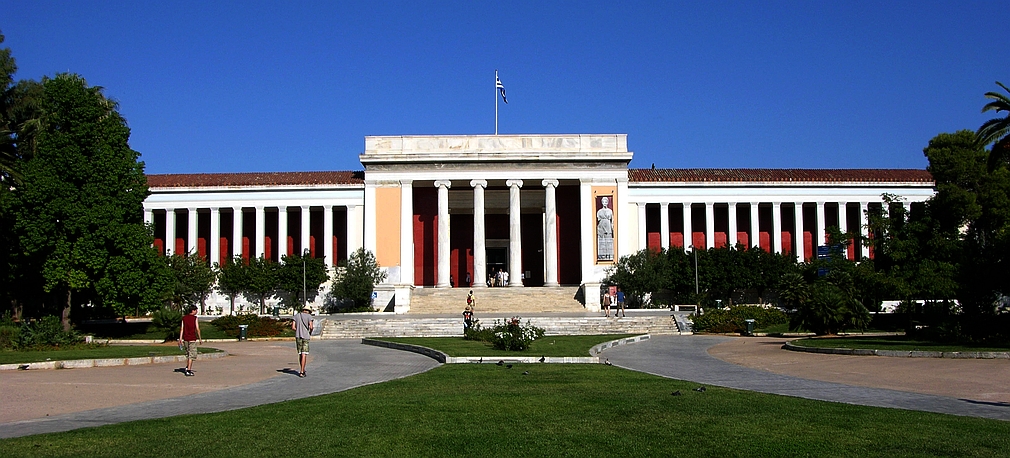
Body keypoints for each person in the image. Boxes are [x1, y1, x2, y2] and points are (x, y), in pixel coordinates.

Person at [179, 305, 202, 376]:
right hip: (192, 338)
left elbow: (182, 329)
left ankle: (187, 367)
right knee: (192, 355)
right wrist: (200, 338)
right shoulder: (195, 318)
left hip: (185, 338)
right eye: (196, 310)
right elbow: (197, 329)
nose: (196, 312)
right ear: (193, 311)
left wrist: (180, 338)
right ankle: (188, 370)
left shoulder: (184, 318)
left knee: (188, 354)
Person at [292, 307, 314, 378]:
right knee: (304, 353)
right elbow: (311, 327)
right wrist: (309, 332)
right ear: (308, 311)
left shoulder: (296, 316)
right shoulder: (309, 317)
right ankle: (302, 371)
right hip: (306, 336)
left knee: (300, 353)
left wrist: (298, 330)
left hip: (298, 336)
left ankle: (302, 368)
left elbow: (293, 327)